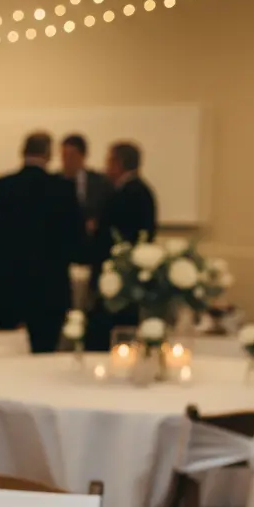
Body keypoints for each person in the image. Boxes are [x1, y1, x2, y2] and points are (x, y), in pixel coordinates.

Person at [0, 131, 85, 354]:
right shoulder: (63, 189)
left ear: (23, 152)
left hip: (6, 285)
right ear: (48, 154)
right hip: (49, 290)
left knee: (6, 351)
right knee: (43, 355)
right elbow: (77, 244)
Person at [85, 141, 159, 351]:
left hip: (118, 278)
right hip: (125, 277)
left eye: (109, 161)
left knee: (106, 334)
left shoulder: (127, 194)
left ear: (119, 163)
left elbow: (114, 236)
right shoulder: (141, 191)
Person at [60, 134, 113, 232]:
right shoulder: (54, 182)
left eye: (71, 156)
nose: (67, 161)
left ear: (82, 156)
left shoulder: (100, 182)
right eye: (64, 156)